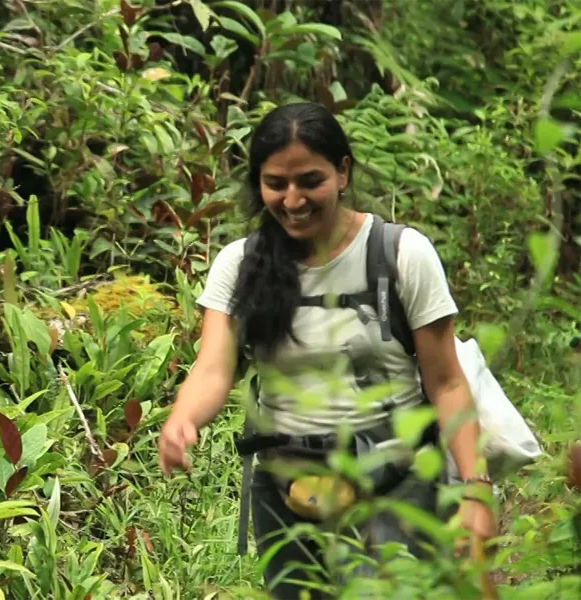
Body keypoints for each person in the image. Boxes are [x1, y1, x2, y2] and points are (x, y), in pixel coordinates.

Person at [157, 102, 497, 598]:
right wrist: (183, 419)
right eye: (276, 183)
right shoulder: (239, 264)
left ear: (342, 172)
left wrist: (476, 488)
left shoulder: (401, 255)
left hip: (395, 478)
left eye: (309, 181)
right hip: (287, 486)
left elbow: (445, 381)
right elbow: (213, 367)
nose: (293, 200)